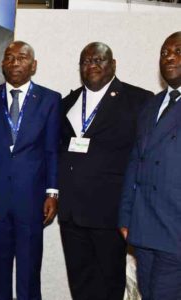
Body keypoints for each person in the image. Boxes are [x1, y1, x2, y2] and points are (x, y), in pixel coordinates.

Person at [58, 42, 152, 300]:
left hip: (111, 214)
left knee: (110, 283)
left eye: (99, 60)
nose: (92, 65)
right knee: (80, 282)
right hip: (71, 213)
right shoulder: (67, 102)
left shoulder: (139, 100)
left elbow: (145, 157)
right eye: (86, 61)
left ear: (113, 64)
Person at [0, 41, 60, 300]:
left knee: (29, 268)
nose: (14, 63)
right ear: (2, 65)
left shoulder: (50, 100)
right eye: (9, 58)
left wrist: (52, 193)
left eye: (21, 58)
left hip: (32, 198)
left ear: (34, 65)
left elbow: (52, 150)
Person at [119, 31, 181, 300]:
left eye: (178, 51)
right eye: (164, 53)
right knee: (148, 292)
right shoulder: (151, 105)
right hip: (144, 226)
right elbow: (136, 161)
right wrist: (125, 215)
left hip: (176, 228)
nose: (169, 57)